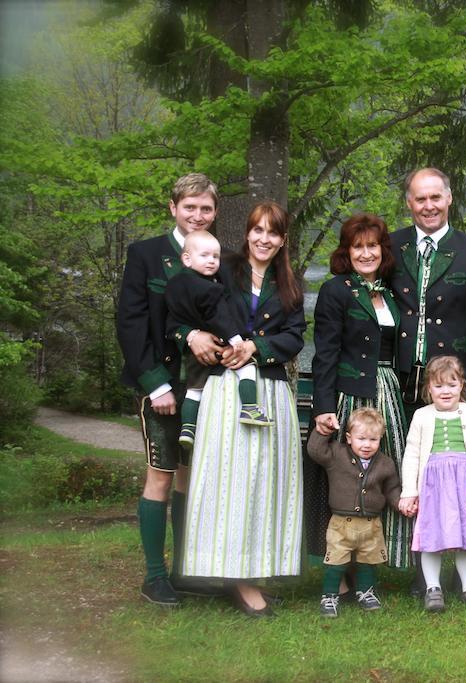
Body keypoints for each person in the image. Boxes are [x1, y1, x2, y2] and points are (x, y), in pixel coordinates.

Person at [180, 200, 306, 617]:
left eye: (273, 232)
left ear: (282, 239)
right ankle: (235, 577)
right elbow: (183, 302)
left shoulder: (288, 282)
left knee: (266, 487)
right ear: (247, 233)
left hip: (268, 388)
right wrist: (194, 334)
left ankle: (256, 571)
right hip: (224, 390)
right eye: (258, 230)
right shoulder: (223, 267)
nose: (264, 239)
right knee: (231, 484)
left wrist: (257, 347)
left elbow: (294, 336)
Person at [390, 167, 466, 596]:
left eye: (436, 197)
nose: (429, 206)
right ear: (409, 203)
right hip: (403, 377)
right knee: (418, 471)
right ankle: (424, 572)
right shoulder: (393, 246)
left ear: (449, 199)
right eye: (420, 199)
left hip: (455, 380)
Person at [116, 172, 220, 607]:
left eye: (206, 209)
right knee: (160, 475)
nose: (198, 216)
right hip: (161, 384)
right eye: (190, 207)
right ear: (173, 208)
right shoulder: (146, 254)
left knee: (189, 479)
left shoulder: (218, 257)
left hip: (203, 386)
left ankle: (184, 569)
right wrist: (155, 385)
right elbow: (131, 323)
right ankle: (155, 575)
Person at [306, 213, 412, 584]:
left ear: (382, 250)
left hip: (389, 392)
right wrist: (323, 406)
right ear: (346, 251)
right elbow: (325, 352)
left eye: (372, 246)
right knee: (350, 476)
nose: (366, 254)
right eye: (358, 246)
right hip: (352, 394)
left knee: (385, 472)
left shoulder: (392, 290)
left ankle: (377, 559)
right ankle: (344, 563)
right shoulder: (336, 290)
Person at [399, 356, 466, 613]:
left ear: (462, 385)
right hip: (432, 488)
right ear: (428, 388)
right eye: (439, 385)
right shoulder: (421, 416)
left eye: (452, 385)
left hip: (464, 486)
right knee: (431, 536)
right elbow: (411, 455)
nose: (446, 391)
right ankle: (433, 588)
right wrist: (409, 492)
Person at [165, 230, 271, 452]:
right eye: (205, 256)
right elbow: (219, 316)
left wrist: (189, 335)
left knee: (194, 389)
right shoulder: (210, 288)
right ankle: (250, 407)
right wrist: (235, 339)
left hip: (193, 352)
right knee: (247, 366)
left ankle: (188, 428)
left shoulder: (176, 283)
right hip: (218, 341)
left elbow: (173, 316)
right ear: (187, 258)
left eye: (215, 256)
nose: (212, 261)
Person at [307, 407, 402, 615]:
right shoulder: (337, 455)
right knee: (337, 561)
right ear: (349, 438)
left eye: (373, 439)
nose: (367, 445)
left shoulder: (385, 464)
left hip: (371, 525)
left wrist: (400, 502)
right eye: (361, 439)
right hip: (341, 524)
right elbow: (315, 451)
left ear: (380, 439)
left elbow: (392, 488)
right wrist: (323, 432)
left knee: (368, 561)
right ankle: (330, 596)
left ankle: (365, 592)